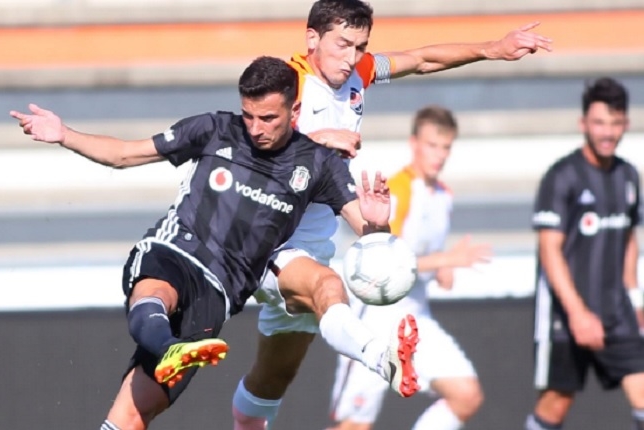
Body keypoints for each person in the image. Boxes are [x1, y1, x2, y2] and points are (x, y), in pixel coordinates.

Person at [9, 56, 394, 430]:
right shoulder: (214, 129)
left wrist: (377, 225)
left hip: (219, 291)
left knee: (132, 417)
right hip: (176, 250)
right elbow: (126, 154)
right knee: (157, 291)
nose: (255, 127)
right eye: (248, 115)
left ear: (295, 111)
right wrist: (64, 135)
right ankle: (167, 346)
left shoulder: (319, 164)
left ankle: (169, 347)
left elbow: (369, 235)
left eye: (268, 118)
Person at [232, 1, 554, 428]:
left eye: (360, 47)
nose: (351, 58)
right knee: (329, 289)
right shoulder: (289, 84)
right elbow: (243, 145)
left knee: (271, 380)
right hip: (266, 240)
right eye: (342, 44)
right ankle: (378, 356)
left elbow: (419, 60)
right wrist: (311, 138)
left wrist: (492, 49)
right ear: (312, 38)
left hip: (313, 246)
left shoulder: (358, 73)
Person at [327, 105, 491, 430]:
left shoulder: (443, 195)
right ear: (414, 143)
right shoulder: (398, 189)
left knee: (466, 394)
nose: (439, 155)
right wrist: (447, 260)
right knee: (354, 425)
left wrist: (443, 269)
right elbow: (389, 260)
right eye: (433, 145)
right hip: (375, 316)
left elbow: (427, 254)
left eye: (446, 147)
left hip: (416, 316)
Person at [526, 77, 644, 430]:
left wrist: (635, 299)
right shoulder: (562, 177)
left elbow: (628, 240)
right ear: (584, 124)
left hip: (616, 311)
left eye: (615, 123)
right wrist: (578, 314)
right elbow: (549, 249)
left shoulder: (628, 177)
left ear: (626, 124)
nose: (607, 132)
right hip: (565, 313)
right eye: (599, 123)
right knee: (557, 403)